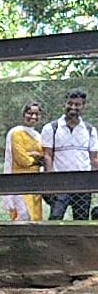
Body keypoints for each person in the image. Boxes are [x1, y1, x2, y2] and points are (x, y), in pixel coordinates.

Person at [41, 88, 98, 220]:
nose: (73, 107)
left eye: (77, 104)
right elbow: (47, 155)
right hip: (60, 182)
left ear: (83, 107)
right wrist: (50, 182)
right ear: (64, 105)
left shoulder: (90, 130)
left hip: (83, 183)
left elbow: (94, 159)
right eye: (70, 104)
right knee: (56, 217)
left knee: (81, 220)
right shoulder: (51, 128)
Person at [2, 102, 44, 221]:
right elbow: (22, 160)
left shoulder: (38, 136)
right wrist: (37, 159)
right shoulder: (16, 133)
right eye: (30, 113)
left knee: (36, 215)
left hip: (36, 181)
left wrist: (36, 156)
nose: (33, 117)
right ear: (23, 114)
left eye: (37, 114)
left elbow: (44, 156)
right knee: (23, 214)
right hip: (20, 180)